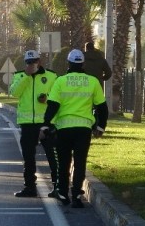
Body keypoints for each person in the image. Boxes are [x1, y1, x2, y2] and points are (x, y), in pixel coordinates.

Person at [41, 49, 108, 208]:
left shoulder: (60, 81)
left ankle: (63, 194)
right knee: (80, 162)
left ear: (69, 63)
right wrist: (100, 126)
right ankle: (77, 195)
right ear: (82, 64)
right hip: (83, 129)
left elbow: (53, 106)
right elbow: (102, 107)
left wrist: (45, 124)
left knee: (64, 163)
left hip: (63, 129)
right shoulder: (93, 82)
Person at [9, 50, 59, 198]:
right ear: (25, 63)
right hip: (27, 124)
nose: (32, 64)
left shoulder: (51, 76)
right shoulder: (19, 76)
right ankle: (30, 187)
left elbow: (58, 96)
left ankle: (57, 186)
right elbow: (14, 93)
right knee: (28, 157)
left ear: (40, 61)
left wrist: (47, 98)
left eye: (34, 61)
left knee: (51, 155)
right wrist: (26, 76)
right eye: (29, 62)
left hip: (46, 122)